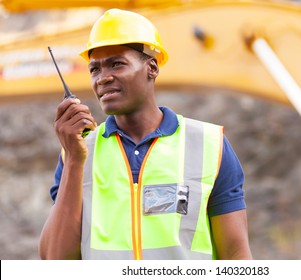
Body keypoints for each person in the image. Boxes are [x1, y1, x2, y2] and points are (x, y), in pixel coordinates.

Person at [39, 8, 252, 260]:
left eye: (117, 64)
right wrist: (74, 159)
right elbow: (54, 260)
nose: (103, 78)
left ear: (151, 67)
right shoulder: (76, 153)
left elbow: (236, 255)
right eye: (94, 69)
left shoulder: (209, 145)